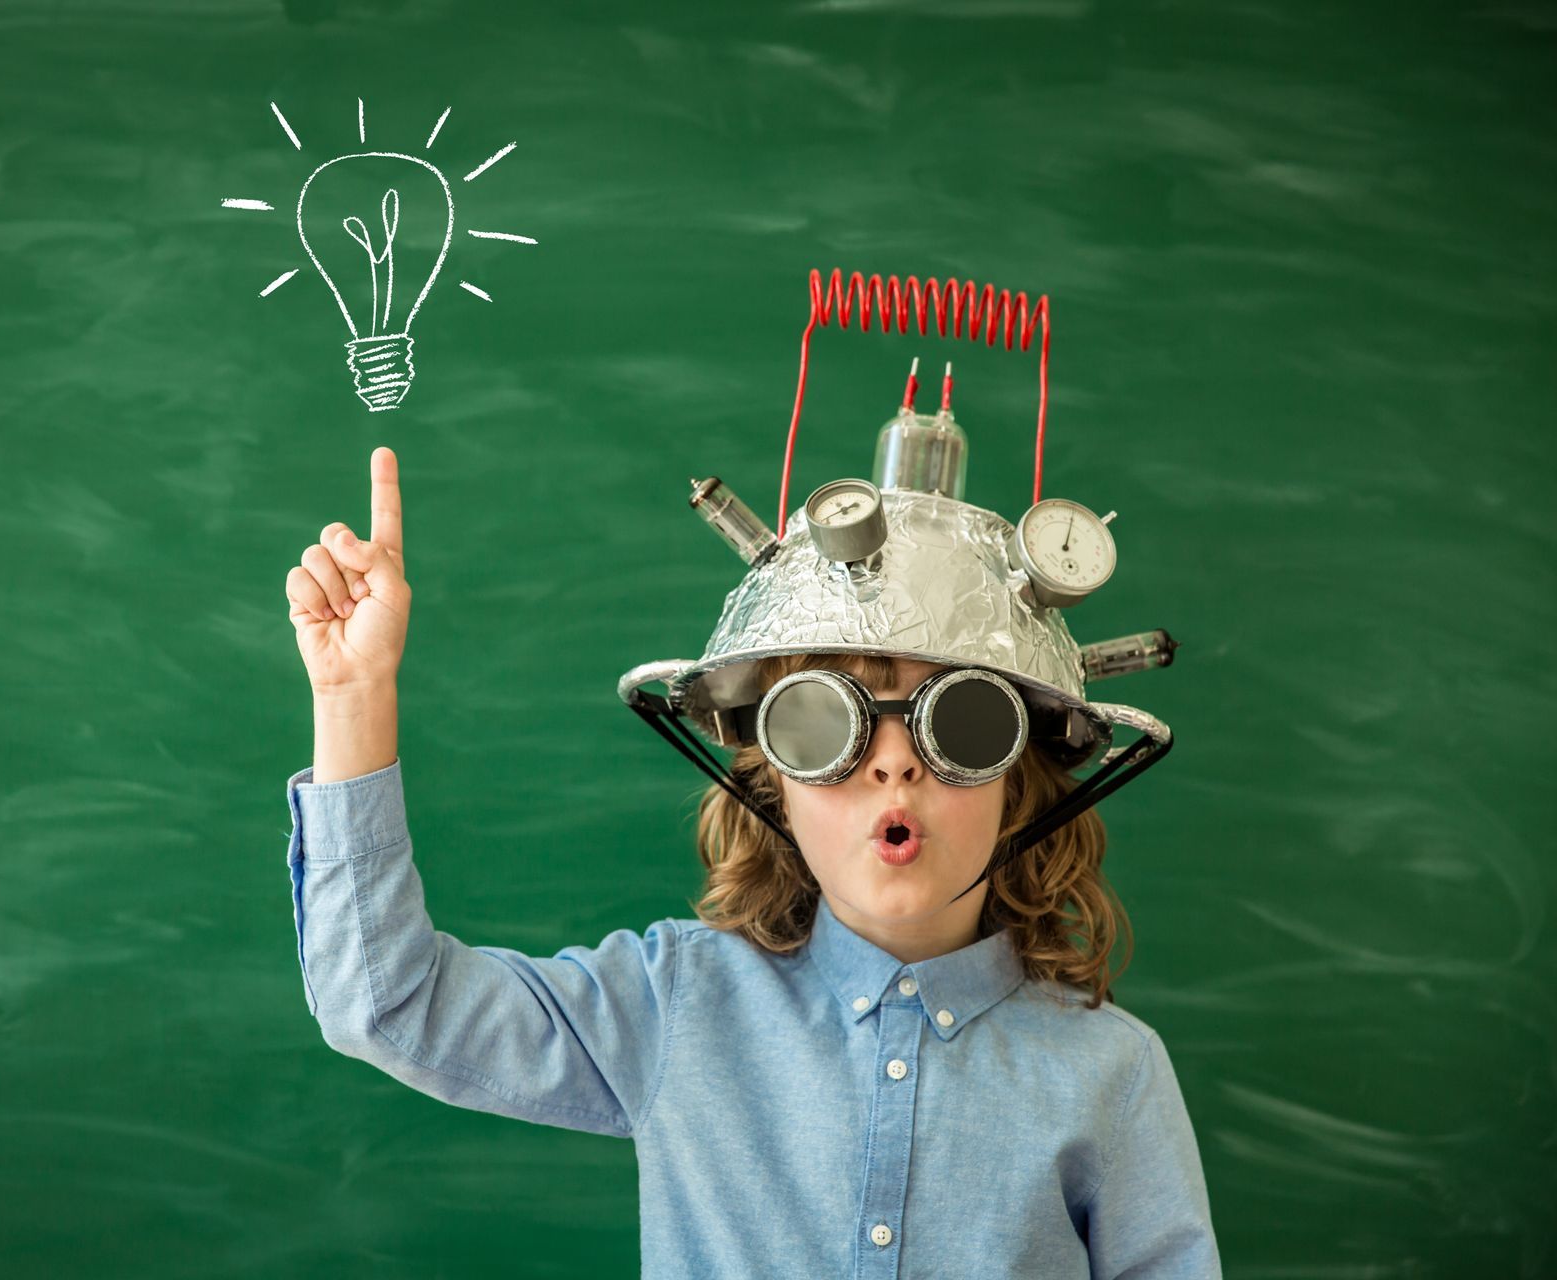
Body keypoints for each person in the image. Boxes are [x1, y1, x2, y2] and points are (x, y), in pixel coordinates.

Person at [284, 445, 1221, 1278]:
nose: (893, 760)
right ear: (773, 781)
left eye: (961, 721)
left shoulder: (1113, 1073)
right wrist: (352, 694)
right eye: (825, 721)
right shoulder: (672, 1007)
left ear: (1018, 779)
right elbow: (387, 1003)